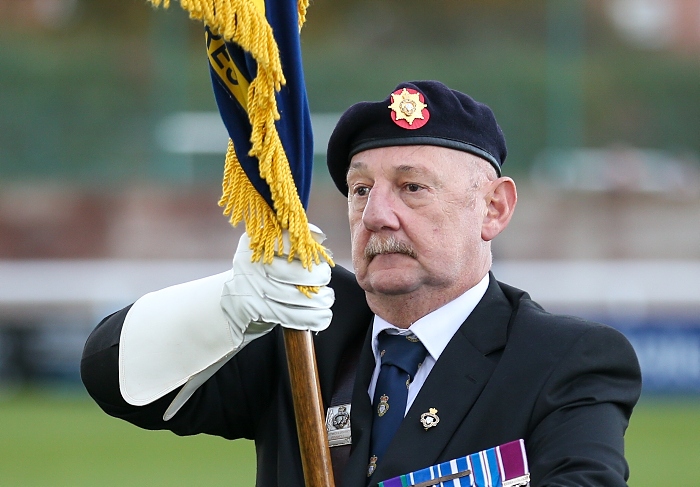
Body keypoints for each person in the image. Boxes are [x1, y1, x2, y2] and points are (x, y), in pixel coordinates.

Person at [81, 80, 641, 487]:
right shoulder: (310, 329)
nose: (376, 214)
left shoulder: (565, 360)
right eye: (360, 190)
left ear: (493, 208)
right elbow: (113, 376)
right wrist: (226, 308)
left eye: (412, 187)